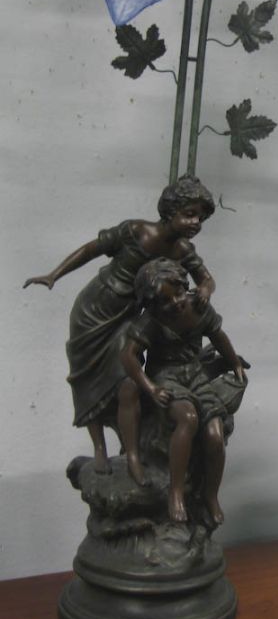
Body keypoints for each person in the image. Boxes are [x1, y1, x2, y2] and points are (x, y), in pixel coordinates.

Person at [23, 175, 216, 483]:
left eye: (201, 218)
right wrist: (54, 274)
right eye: (190, 214)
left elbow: (206, 278)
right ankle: (99, 447)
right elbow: (91, 249)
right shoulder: (135, 230)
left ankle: (133, 455)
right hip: (93, 309)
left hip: (128, 317)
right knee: (86, 378)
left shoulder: (183, 250)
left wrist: (205, 288)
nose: (196, 222)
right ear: (170, 211)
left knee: (128, 384)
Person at [121, 258, 247, 525]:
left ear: (185, 286)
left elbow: (218, 335)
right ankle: (175, 493)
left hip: (196, 375)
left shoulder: (198, 306)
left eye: (178, 293)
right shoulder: (151, 321)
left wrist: (234, 361)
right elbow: (128, 356)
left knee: (215, 434)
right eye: (165, 301)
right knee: (188, 418)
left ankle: (210, 495)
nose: (176, 303)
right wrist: (151, 388)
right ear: (152, 304)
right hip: (166, 377)